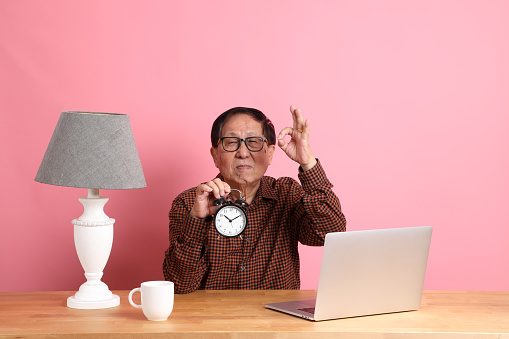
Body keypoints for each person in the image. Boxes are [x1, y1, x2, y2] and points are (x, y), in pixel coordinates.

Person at [163, 105, 346, 293]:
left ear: (271, 154)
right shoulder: (189, 203)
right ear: (215, 155)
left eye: (254, 142)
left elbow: (330, 233)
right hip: (212, 319)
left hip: (276, 319)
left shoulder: (287, 193)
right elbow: (180, 285)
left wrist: (307, 162)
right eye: (232, 142)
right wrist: (197, 219)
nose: (243, 153)